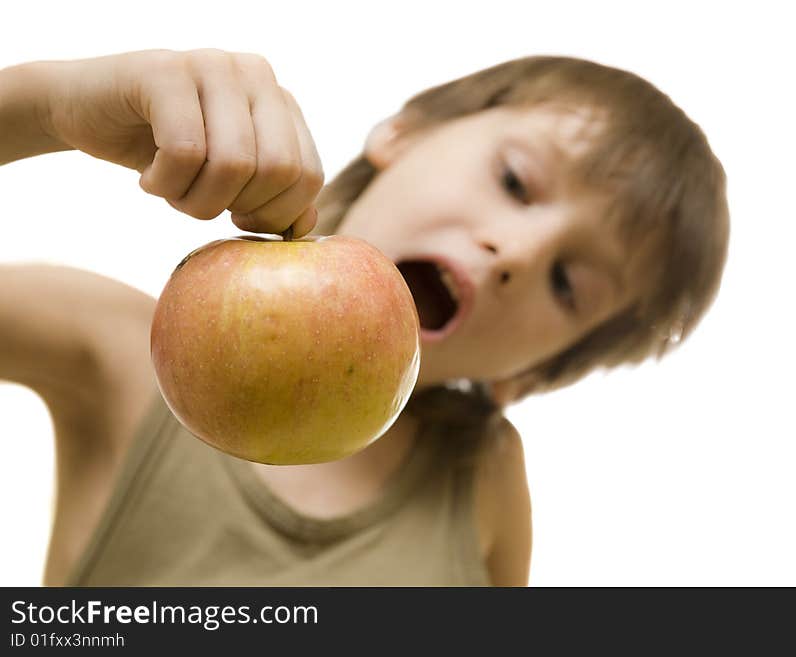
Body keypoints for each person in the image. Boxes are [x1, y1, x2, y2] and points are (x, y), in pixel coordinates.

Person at [0, 49, 729, 586]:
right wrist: (42, 107)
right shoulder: (119, 350)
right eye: (515, 181)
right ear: (403, 134)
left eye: (569, 283)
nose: (516, 252)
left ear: (537, 369)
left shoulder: (487, 478)